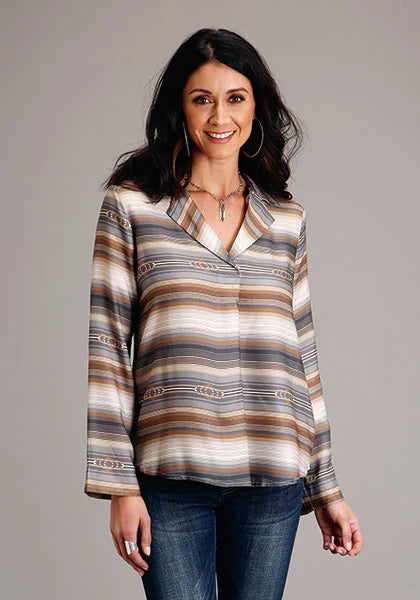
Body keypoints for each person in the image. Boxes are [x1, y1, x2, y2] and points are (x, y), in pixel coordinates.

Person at [83, 27, 363, 600]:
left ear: (257, 109)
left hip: (273, 472)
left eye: (235, 98)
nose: (219, 116)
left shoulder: (285, 218)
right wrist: (119, 486)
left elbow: (303, 358)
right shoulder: (133, 206)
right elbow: (107, 347)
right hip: (169, 474)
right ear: (179, 109)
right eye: (201, 99)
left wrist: (325, 487)